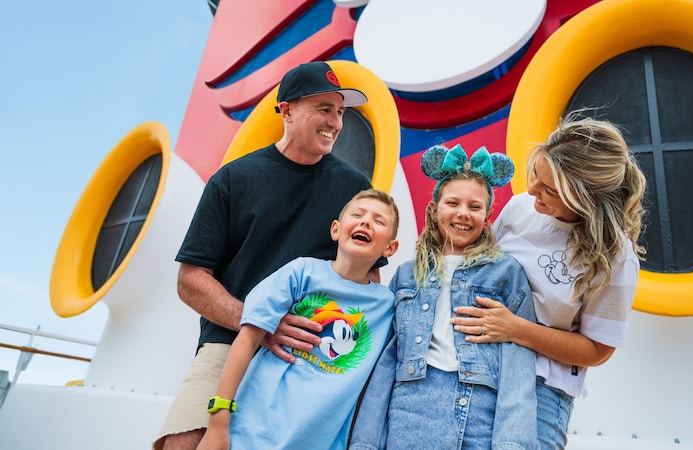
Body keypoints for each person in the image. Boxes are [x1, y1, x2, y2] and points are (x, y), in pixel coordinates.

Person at [154, 61, 383, 450]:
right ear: (288, 109)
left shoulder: (355, 187)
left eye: (340, 112)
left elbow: (370, 278)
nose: (335, 122)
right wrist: (262, 323)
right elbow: (190, 281)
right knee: (185, 443)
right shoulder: (233, 178)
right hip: (228, 341)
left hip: (309, 354)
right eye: (323, 108)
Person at [451, 114, 647, 449]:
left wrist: (516, 329)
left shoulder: (616, 257)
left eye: (549, 190)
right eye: (535, 177)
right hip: (484, 367)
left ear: (590, 199)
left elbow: (598, 350)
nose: (531, 190)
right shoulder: (519, 209)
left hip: (543, 387)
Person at [349, 144, 539, 449]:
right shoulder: (407, 275)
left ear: (488, 215)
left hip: (479, 415)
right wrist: (366, 441)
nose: (463, 214)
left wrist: (512, 442)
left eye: (475, 207)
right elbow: (385, 362)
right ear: (435, 209)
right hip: (409, 412)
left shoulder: (506, 273)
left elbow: (518, 363)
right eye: (453, 203)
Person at [196, 189, 400, 450]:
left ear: (390, 247)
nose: (365, 222)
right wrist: (218, 422)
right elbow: (247, 339)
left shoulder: (388, 306)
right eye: (358, 215)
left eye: (379, 221)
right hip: (248, 431)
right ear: (335, 229)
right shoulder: (301, 271)